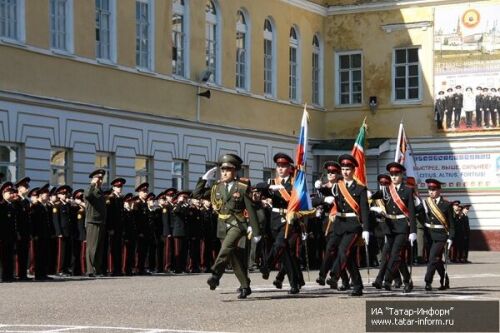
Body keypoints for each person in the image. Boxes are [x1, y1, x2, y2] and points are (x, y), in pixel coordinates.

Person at [192, 153, 261, 299]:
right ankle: (245, 286)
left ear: (235, 171)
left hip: (237, 224)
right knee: (233, 257)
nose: (224, 172)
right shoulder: (217, 187)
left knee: (225, 248)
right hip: (222, 225)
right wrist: (204, 179)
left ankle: (215, 275)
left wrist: (256, 230)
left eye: (228, 170)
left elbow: (250, 208)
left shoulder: (241, 187)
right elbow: (197, 195)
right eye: (222, 170)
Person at [260, 153, 303, 294]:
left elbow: (298, 200)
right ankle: (294, 284)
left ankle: (267, 266)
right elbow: (258, 188)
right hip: (274, 219)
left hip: (288, 219)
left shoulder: (294, 183)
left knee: (280, 244)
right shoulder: (272, 182)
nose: (280, 169)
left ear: (289, 168)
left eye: (283, 166)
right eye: (278, 166)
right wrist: (269, 188)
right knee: (286, 254)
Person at [370, 163, 416, 293]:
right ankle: (406, 281)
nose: (394, 177)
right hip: (389, 227)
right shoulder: (386, 190)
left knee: (395, 254)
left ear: (401, 175)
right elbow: (370, 199)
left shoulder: (407, 191)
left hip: (402, 226)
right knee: (387, 255)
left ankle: (387, 280)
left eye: (396, 174)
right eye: (392, 175)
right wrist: (373, 206)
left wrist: (413, 231)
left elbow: (411, 212)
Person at [328, 154, 369, 296]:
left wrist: (366, 229)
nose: (345, 172)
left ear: (353, 171)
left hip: (353, 225)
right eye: (343, 169)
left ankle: (334, 276)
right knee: (348, 256)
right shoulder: (337, 187)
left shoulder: (360, 189)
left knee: (343, 250)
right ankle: (357, 286)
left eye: (348, 169)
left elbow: (364, 210)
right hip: (340, 224)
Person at [423, 179, 454, 291]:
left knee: (432, 258)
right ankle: (444, 280)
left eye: (433, 189)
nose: (431, 192)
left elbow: (451, 224)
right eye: (429, 189)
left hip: (441, 236)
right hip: (428, 235)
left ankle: (428, 281)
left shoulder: (446, 204)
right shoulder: (426, 203)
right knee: (437, 260)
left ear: (439, 190)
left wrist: (451, 237)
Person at [84, 169, 107, 277]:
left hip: (101, 221)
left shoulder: (100, 192)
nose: (100, 181)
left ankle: (97, 269)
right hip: (92, 221)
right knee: (92, 247)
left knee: (99, 248)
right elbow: (88, 196)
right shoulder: (90, 190)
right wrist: (92, 184)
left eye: (101, 179)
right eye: (98, 178)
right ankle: (90, 270)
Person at [106, 178, 126, 276]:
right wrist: (110, 228)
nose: (120, 188)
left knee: (119, 249)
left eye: (121, 186)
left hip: (120, 227)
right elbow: (109, 215)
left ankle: (118, 269)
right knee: (113, 249)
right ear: (113, 187)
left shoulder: (121, 198)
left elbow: (121, 215)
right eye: (118, 187)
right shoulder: (111, 198)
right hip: (113, 227)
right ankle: (112, 269)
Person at [15, 177, 32, 281]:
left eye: (27, 187)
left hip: (26, 232)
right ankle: (18, 273)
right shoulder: (16, 201)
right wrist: (17, 232)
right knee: (19, 253)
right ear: (19, 188)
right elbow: (16, 218)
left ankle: (23, 274)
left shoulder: (26, 201)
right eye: (25, 187)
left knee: (25, 253)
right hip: (20, 232)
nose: (27, 188)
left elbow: (28, 219)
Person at [0, 182, 17, 282]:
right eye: (8, 192)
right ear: (3, 193)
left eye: (11, 192)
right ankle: (2, 275)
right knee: (2, 257)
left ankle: (8, 275)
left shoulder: (11, 206)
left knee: (9, 256)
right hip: (2, 235)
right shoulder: (1, 206)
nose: (11, 194)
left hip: (10, 236)